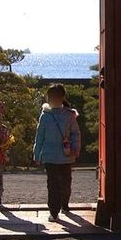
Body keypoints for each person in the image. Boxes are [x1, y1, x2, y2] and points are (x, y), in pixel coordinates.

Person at [32, 84, 81, 222]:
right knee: (53, 184)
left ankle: (64, 204)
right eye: (50, 96)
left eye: (54, 96)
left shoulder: (69, 115)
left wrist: (75, 148)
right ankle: (54, 211)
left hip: (66, 155)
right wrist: (37, 153)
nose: (52, 99)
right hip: (50, 156)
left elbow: (75, 133)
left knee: (66, 182)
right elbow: (39, 135)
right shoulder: (45, 115)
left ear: (61, 97)